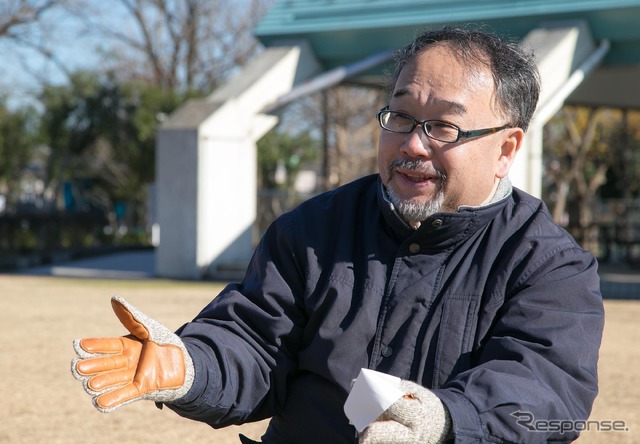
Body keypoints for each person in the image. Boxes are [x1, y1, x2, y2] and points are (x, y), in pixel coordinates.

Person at [71, 26, 604, 443]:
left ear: (506, 149)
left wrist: (444, 422)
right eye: (399, 117)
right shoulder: (312, 230)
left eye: (444, 126)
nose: (413, 145)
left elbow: (544, 392)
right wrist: (189, 365)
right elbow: (254, 343)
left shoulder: (550, 267)